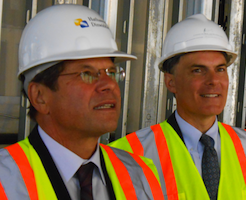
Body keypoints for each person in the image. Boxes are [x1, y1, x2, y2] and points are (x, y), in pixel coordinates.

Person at [0, 4, 164, 200]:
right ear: (39, 97)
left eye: (111, 73)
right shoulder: (5, 181)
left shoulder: (140, 173)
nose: (109, 85)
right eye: (87, 74)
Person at [110, 14, 246, 200]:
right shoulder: (128, 155)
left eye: (220, 69)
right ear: (170, 82)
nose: (213, 81)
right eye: (198, 70)